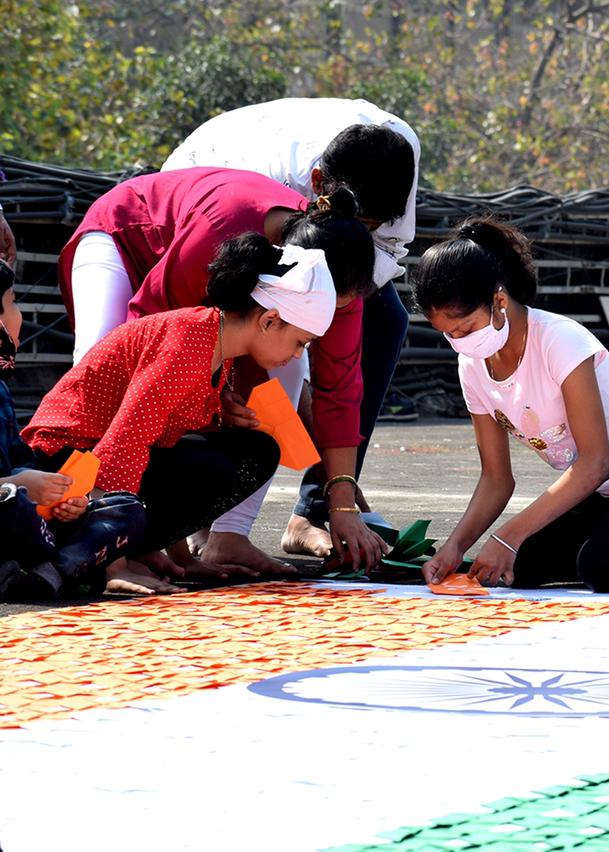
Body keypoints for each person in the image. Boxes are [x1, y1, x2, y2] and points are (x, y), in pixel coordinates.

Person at [58, 169, 386, 575]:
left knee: (265, 406)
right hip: (125, 238)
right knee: (108, 384)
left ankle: (223, 536)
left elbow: (339, 393)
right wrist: (119, 560)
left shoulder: (331, 288)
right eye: (306, 337)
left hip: (226, 322)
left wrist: (341, 503)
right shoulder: (218, 241)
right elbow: (145, 340)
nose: (321, 334)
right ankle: (92, 535)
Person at [163, 99, 421, 558]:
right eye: (360, 225)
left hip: (310, 236)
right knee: (235, 366)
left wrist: (337, 483)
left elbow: (341, 371)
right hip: (209, 199)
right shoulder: (247, 196)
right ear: (320, 186)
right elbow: (175, 328)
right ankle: (188, 519)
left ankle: (316, 509)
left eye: (375, 226)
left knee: (383, 320)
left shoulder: (399, 152)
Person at [23, 240, 341, 594]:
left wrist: (182, 557)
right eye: (300, 342)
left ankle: (135, 547)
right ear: (269, 320)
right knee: (225, 461)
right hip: (62, 467)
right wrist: (115, 565)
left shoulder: (214, 343)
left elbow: (165, 439)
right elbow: (121, 449)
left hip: (94, 466)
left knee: (255, 451)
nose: (297, 355)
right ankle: (98, 554)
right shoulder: (187, 346)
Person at [416, 217, 609, 591]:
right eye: (448, 334)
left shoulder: (559, 342)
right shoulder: (472, 365)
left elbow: (596, 463)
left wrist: (507, 535)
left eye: (465, 329)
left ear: (499, 300)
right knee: (521, 568)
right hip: (607, 489)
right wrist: (455, 546)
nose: (460, 342)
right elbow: (496, 478)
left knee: (602, 568)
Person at [0, 260, 145, 599]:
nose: (17, 313)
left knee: (127, 509)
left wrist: (63, 499)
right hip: (9, 515)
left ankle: (47, 571)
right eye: (12, 300)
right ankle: (50, 571)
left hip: (28, 524)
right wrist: (13, 486)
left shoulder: (1, 391)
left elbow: (19, 460)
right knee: (11, 506)